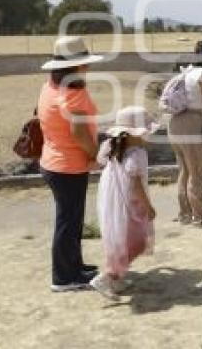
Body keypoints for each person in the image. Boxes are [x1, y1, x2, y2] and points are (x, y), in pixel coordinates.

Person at [38, 36, 104, 292]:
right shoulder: (73, 94)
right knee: (68, 221)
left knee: (71, 219)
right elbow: (79, 133)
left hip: (55, 161)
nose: (87, 67)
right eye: (84, 63)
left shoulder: (50, 87)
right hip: (68, 165)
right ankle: (64, 277)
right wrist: (96, 154)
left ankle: (74, 266)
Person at [89, 106, 157, 300]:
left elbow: (100, 160)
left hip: (112, 198)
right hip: (129, 201)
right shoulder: (136, 154)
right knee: (135, 241)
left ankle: (117, 278)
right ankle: (106, 277)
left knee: (119, 238)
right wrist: (148, 207)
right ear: (134, 134)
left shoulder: (113, 146)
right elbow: (136, 184)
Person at [168, 41, 202, 227]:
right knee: (196, 172)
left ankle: (185, 214)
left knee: (185, 171)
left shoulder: (187, 72)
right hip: (193, 123)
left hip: (175, 123)